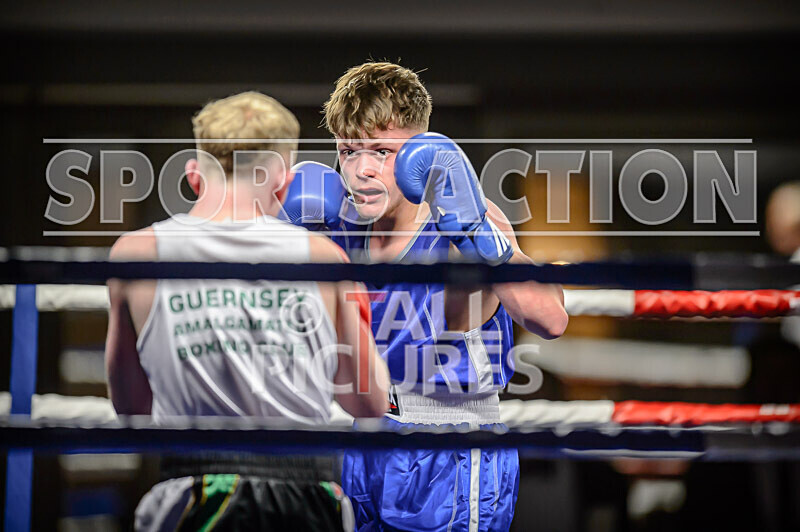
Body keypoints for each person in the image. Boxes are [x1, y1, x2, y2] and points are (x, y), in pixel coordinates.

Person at [282, 63, 568, 531]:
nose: (362, 170)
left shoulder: (458, 219)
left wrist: (479, 234)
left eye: (382, 151)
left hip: (449, 447)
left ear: (419, 150)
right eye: (349, 150)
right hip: (364, 442)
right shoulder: (335, 226)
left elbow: (551, 320)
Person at [104, 91, 390, 531]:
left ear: (194, 176)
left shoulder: (135, 253)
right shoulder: (325, 258)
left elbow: (131, 408)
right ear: (284, 182)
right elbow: (368, 402)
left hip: (192, 491)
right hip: (305, 496)